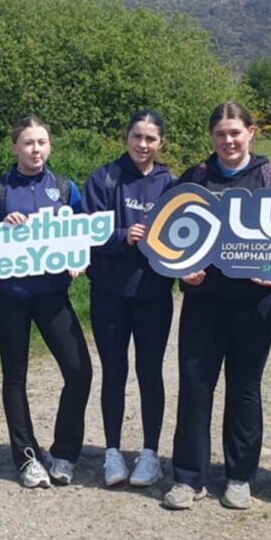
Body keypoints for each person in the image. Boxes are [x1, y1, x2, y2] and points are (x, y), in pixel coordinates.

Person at [164, 102, 271, 511]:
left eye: (235, 132)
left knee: (245, 386)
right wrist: (183, 271)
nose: (228, 141)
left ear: (251, 132)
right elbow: (168, 235)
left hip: (257, 302)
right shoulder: (195, 179)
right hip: (204, 301)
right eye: (220, 134)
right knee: (195, 383)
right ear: (212, 138)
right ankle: (189, 477)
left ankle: (239, 477)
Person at [0, 116, 92, 489]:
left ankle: (64, 453)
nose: (35, 150)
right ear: (14, 148)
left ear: (50, 146)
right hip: (10, 297)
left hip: (52, 295)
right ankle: (26, 457)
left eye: (41, 142)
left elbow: (82, 234)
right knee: (15, 377)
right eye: (28, 143)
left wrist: (79, 259)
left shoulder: (64, 187)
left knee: (79, 372)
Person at [82, 110, 174, 488]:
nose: (143, 144)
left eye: (151, 138)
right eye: (137, 136)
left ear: (161, 143)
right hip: (109, 294)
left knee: (150, 373)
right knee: (114, 372)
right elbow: (85, 232)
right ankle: (113, 453)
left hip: (154, 295)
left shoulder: (173, 184)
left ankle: (150, 454)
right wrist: (124, 236)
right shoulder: (104, 178)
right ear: (126, 138)